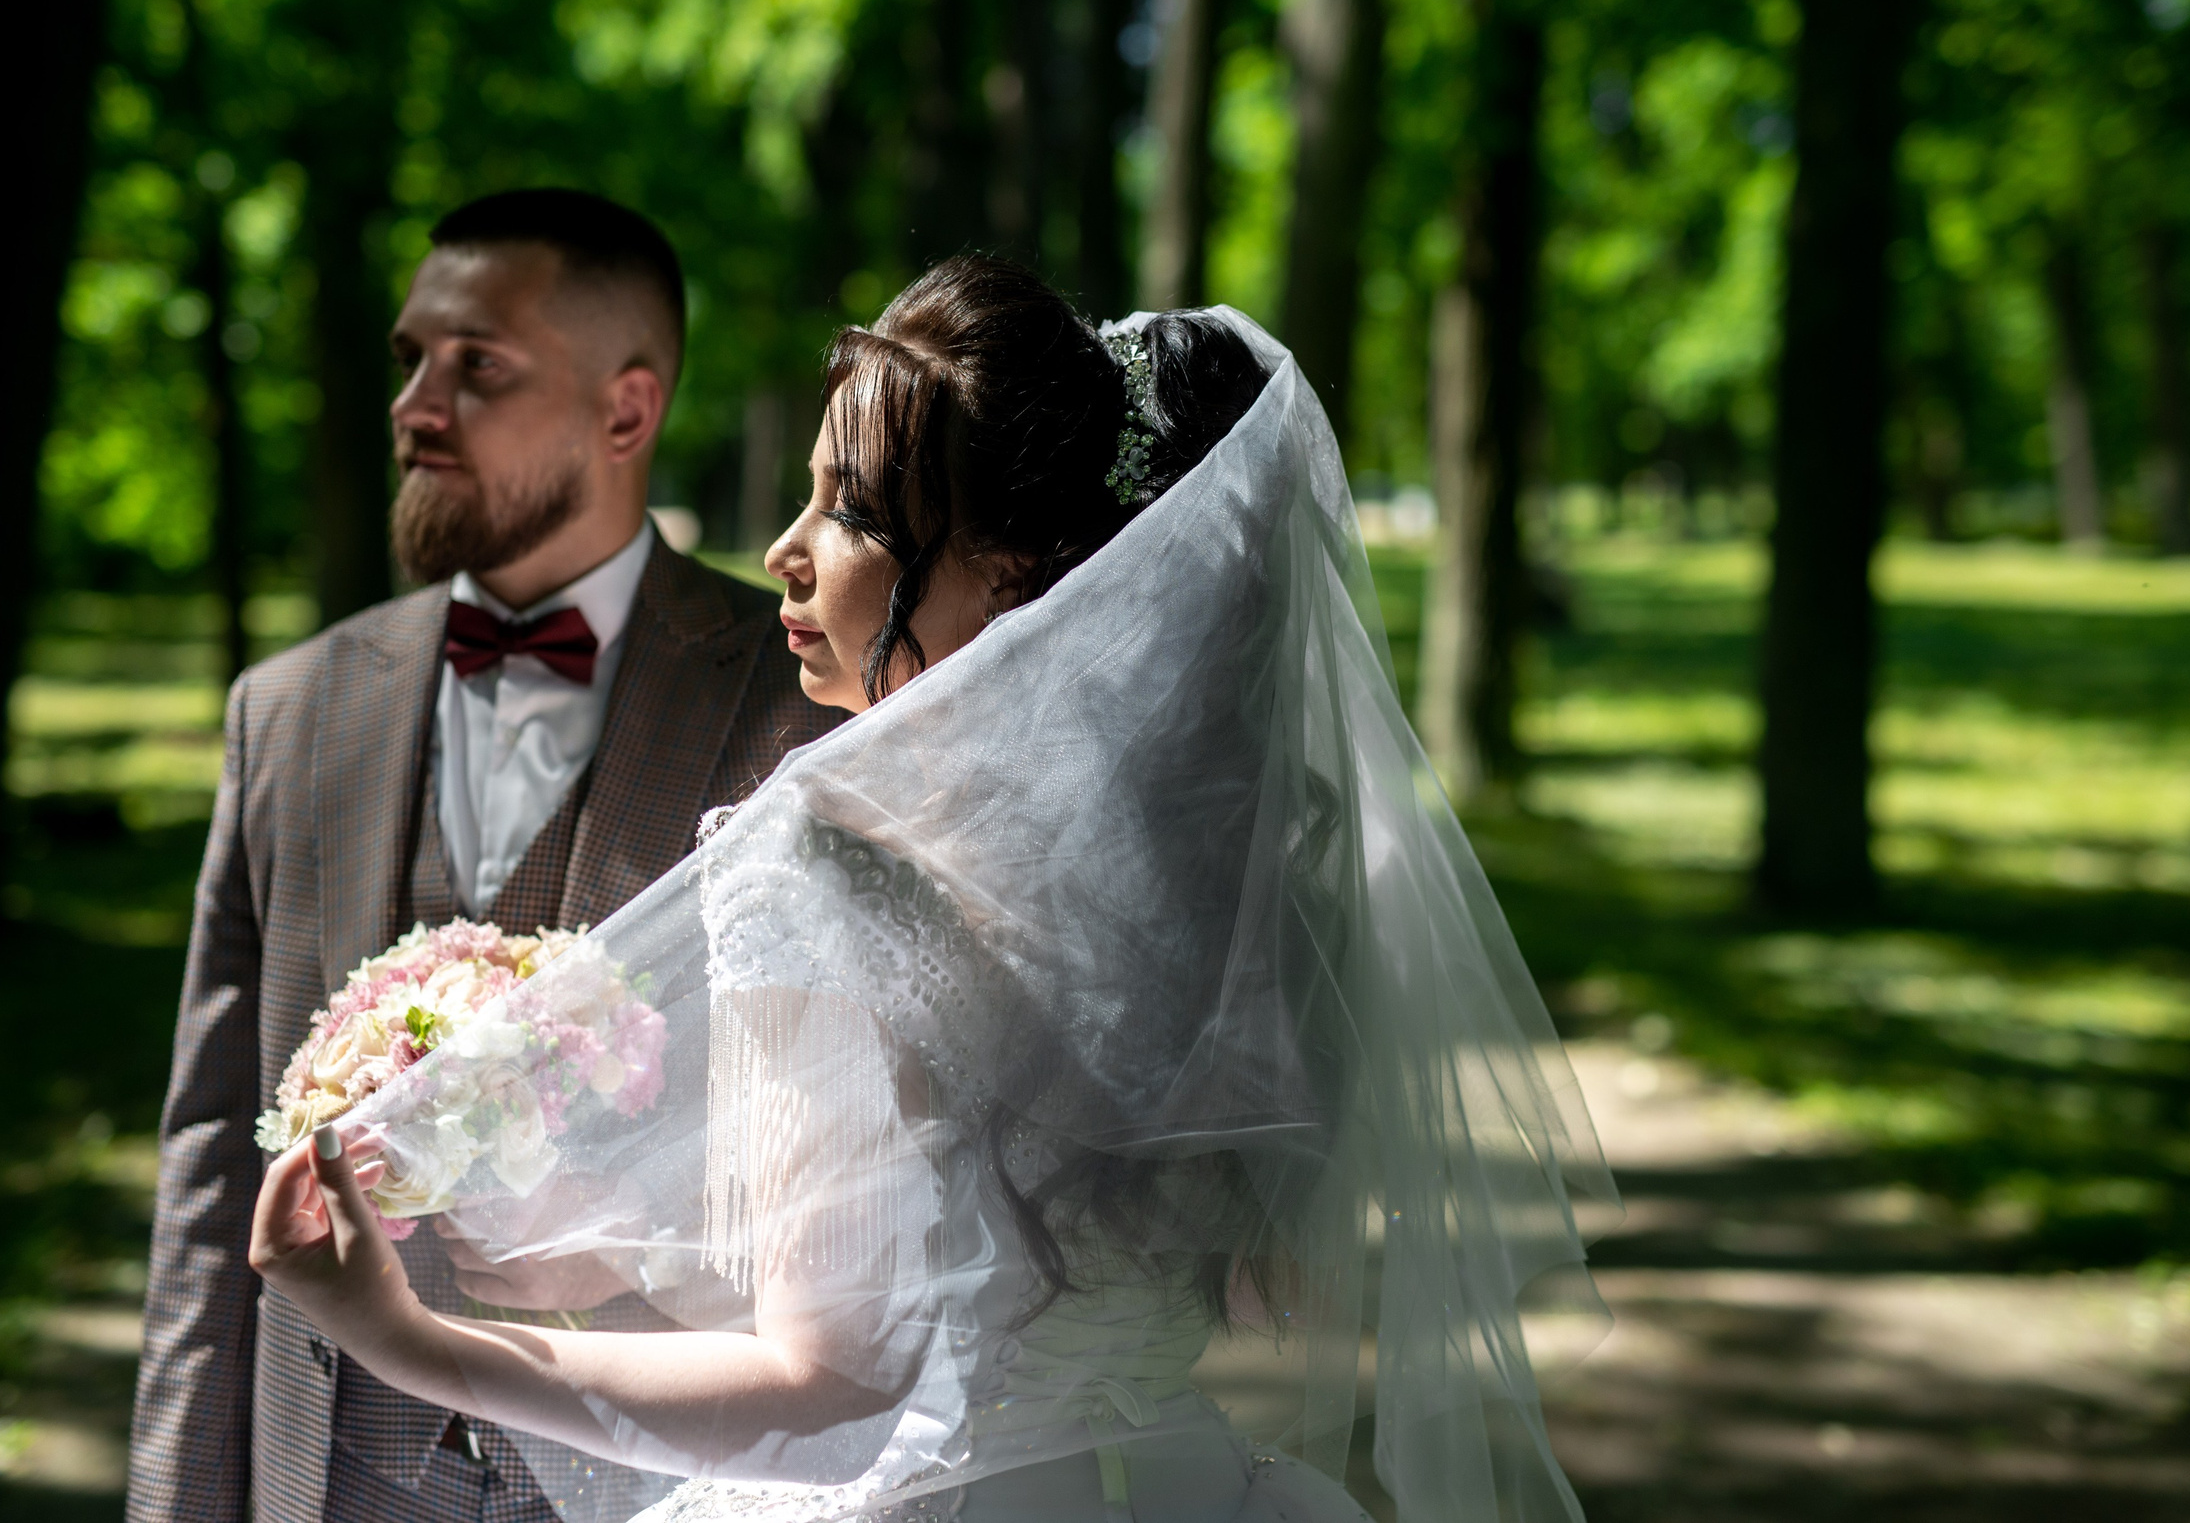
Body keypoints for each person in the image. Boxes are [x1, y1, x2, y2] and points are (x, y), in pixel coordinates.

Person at [247, 256, 1617, 1522]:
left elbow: (835, 1394)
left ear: (1012, 573)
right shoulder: (1225, 870)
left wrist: (414, 1340)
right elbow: (1217, 1277)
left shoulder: (811, 866)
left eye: (849, 509)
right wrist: (627, 1258)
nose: (785, 549)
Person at [129, 189, 842, 1523]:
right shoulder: (286, 711)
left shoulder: (805, 698)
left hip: (662, 1475)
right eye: (411, 359)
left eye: (477, 367)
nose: (413, 404)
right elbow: (215, 1161)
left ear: (626, 411)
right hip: (330, 1472)